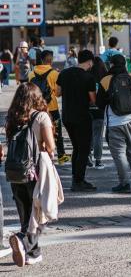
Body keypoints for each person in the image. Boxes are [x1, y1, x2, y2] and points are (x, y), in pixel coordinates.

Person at [6, 83, 55, 266]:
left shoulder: (13, 118)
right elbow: (50, 147)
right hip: (36, 172)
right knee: (41, 214)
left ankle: (32, 253)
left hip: (15, 172)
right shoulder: (41, 117)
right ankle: (22, 240)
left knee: (25, 215)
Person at [97, 54, 131, 193]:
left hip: (115, 122)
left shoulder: (106, 80)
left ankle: (124, 184)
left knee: (119, 154)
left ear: (111, 65)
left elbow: (100, 103)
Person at [56, 50, 97, 192]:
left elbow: (57, 93)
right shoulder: (89, 77)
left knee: (77, 148)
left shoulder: (64, 73)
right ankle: (79, 181)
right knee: (84, 149)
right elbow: (93, 100)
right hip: (82, 117)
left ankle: (76, 178)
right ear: (90, 62)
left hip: (67, 116)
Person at [28, 50, 70, 165]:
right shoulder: (54, 74)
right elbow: (57, 93)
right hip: (51, 108)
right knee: (57, 132)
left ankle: (38, 156)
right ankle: (61, 156)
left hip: (36, 108)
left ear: (41, 60)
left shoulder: (31, 73)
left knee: (37, 132)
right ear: (50, 60)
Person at [88, 57, 107, 169]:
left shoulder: (87, 77)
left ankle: (88, 157)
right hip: (100, 110)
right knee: (98, 136)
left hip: (88, 109)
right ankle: (98, 160)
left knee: (88, 134)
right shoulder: (105, 79)